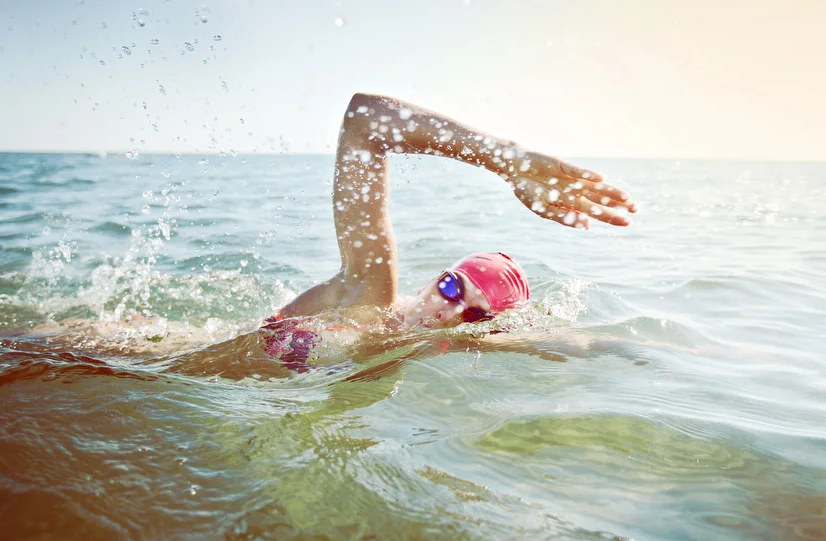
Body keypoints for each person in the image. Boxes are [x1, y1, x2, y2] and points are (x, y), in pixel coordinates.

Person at [261, 92, 637, 369]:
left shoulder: (438, 343)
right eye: (452, 288)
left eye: (474, 316)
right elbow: (364, 118)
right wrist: (507, 160)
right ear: (434, 279)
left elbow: (577, 344)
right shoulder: (370, 296)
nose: (447, 313)